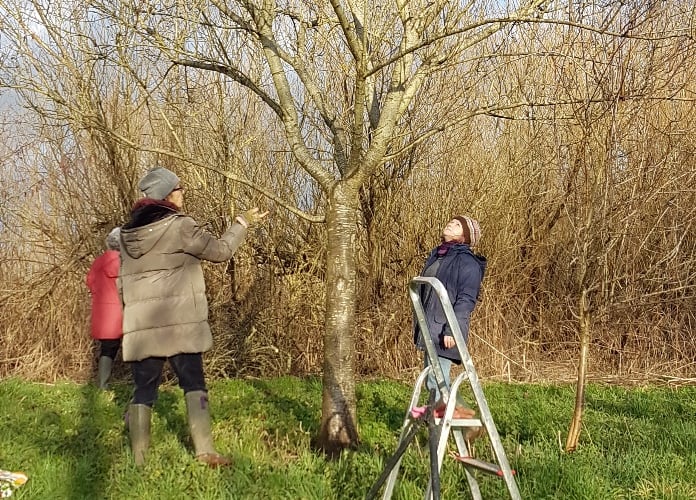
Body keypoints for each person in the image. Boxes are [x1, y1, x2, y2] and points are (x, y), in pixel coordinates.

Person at [118, 166, 268, 468]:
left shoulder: (125, 235)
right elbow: (222, 251)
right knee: (193, 383)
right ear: (168, 194)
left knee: (143, 389)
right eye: (179, 187)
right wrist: (241, 223)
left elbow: (122, 282)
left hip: (142, 325)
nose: (183, 191)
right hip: (180, 323)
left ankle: (139, 462)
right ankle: (205, 452)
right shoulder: (179, 226)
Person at [413, 215, 486, 423]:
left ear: (465, 236)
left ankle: (458, 417)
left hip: (447, 329)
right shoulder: (438, 256)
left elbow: (466, 300)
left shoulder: (467, 262)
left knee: (438, 378)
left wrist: (451, 330)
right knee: (433, 376)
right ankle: (449, 411)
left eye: (456, 224)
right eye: (451, 221)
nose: (449, 224)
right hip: (431, 327)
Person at [86, 227, 123, 390]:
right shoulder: (124, 262)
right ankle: (141, 385)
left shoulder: (98, 261)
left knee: (107, 348)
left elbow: (90, 281)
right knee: (132, 347)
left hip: (102, 313)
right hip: (120, 312)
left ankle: (102, 385)